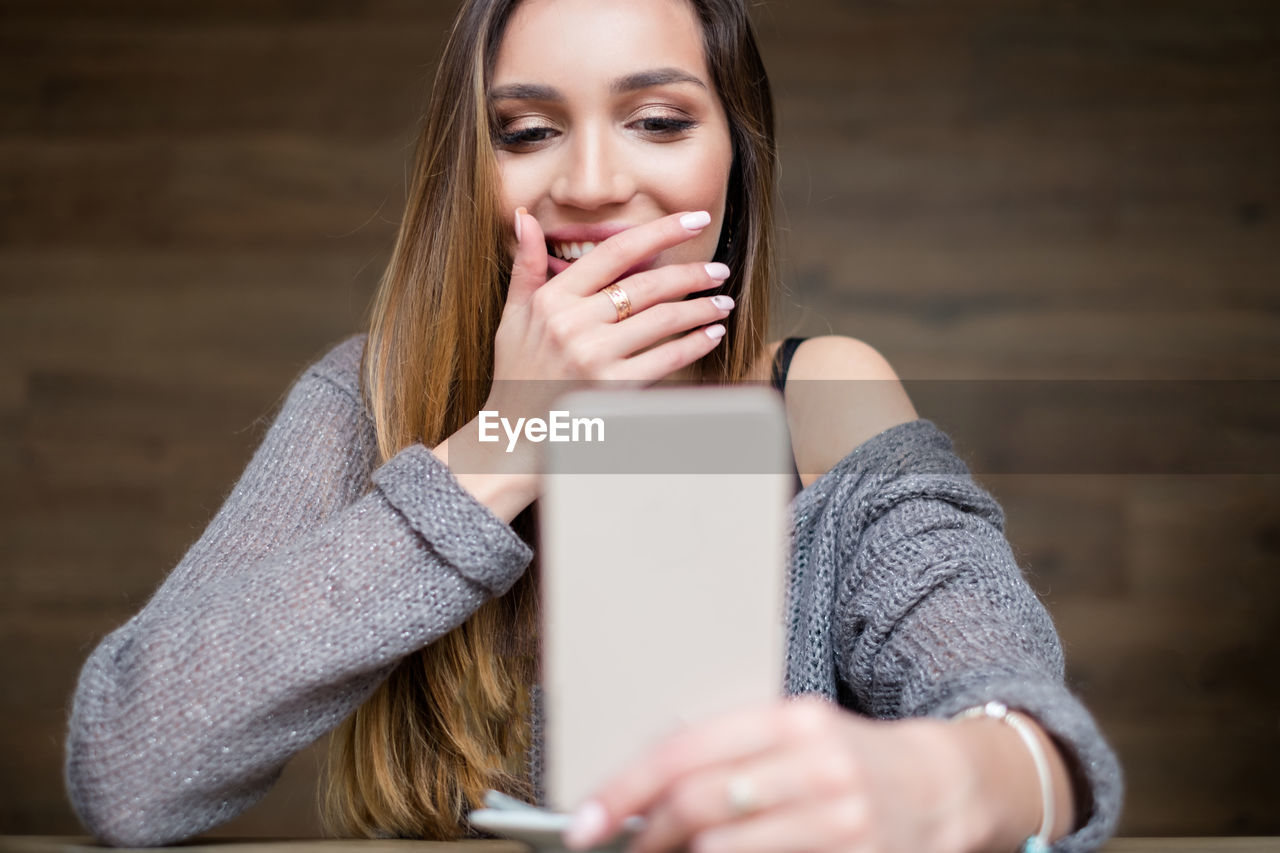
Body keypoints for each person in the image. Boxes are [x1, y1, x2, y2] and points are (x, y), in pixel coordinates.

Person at [64, 0, 1123, 850]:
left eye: (658, 120)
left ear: (734, 159)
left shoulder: (819, 398)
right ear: (472, 175)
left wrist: (940, 779)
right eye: (526, 132)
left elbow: (1025, 724)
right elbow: (123, 771)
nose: (590, 185)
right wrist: (505, 439)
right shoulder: (372, 400)